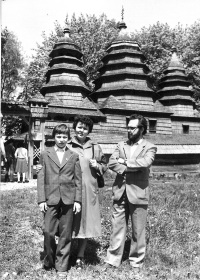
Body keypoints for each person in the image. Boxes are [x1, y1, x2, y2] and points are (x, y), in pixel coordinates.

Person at [104, 114, 157, 271]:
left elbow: (145, 163)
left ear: (141, 129)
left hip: (138, 193)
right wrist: (128, 169)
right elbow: (112, 162)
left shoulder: (149, 147)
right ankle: (113, 260)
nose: (129, 130)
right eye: (128, 127)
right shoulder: (121, 145)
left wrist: (125, 162)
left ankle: (136, 261)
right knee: (117, 228)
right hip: (120, 192)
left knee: (137, 230)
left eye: (132, 127)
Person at [37, 124, 82, 278]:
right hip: (50, 198)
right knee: (48, 231)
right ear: (54, 137)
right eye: (58, 136)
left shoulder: (74, 155)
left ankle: (62, 266)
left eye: (64, 137)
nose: (61, 140)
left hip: (69, 199)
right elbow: (41, 177)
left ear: (68, 138)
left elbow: (78, 180)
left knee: (65, 233)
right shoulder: (45, 154)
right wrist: (41, 199)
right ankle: (49, 260)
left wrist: (78, 201)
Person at [67, 115, 107, 269]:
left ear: (89, 130)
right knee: (69, 221)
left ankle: (80, 256)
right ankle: (65, 252)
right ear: (74, 127)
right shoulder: (68, 145)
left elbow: (105, 165)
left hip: (89, 190)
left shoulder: (95, 147)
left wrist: (98, 165)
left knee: (85, 223)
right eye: (79, 127)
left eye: (85, 128)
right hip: (70, 189)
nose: (81, 130)